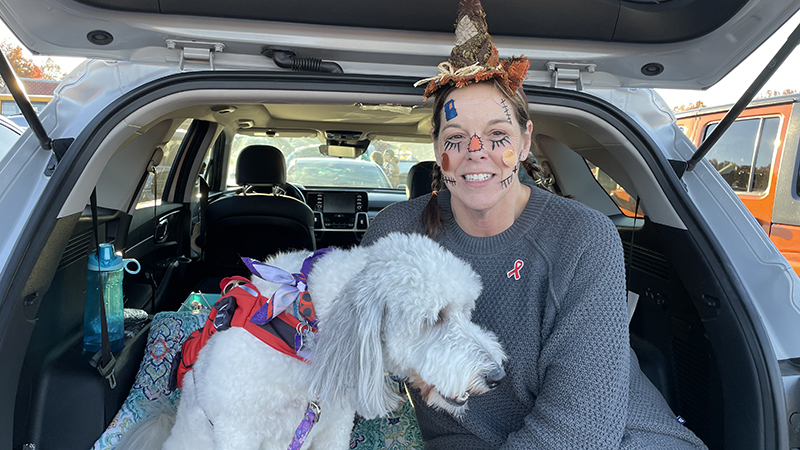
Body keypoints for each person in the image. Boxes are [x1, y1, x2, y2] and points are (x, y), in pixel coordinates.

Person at [360, 0, 708, 448]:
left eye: (498, 136)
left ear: (525, 142)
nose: (476, 152)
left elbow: (581, 427)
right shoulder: (394, 234)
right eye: (455, 138)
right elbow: (357, 353)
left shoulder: (583, 237)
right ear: (437, 147)